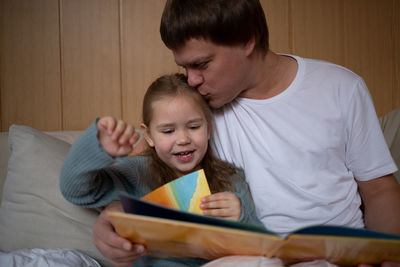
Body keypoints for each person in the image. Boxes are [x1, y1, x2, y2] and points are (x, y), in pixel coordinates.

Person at [91, 0, 400, 266]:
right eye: (184, 68)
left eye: (201, 64)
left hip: (337, 256)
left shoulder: (341, 88)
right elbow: (146, 171)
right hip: (248, 258)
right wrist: (113, 215)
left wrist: (387, 255)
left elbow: (379, 190)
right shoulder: (195, 111)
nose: (192, 80)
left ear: (247, 40)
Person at [59, 73, 263, 267]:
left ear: (208, 129)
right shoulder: (137, 173)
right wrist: (98, 147)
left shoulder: (231, 179)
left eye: (193, 127)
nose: (183, 139)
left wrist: (241, 214)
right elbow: (75, 190)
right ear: (148, 135)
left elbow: (262, 245)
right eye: (168, 131)